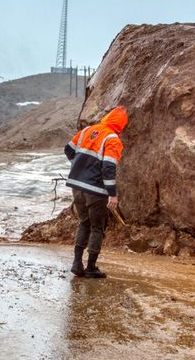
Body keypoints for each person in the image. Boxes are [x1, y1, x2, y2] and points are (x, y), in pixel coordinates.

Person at [64, 105, 128, 279]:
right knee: (97, 227)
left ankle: (77, 263)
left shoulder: (87, 130)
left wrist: (78, 165)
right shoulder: (113, 139)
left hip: (77, 186)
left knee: (84, 222)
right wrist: (112, 194)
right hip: (95, 190)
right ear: (121, 125)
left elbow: (68, 149)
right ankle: (91, 267)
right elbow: (108, 168)